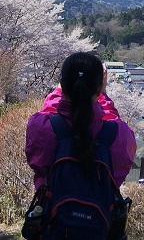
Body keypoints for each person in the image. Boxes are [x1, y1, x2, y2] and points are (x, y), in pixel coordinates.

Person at [25, 52, 136, 239]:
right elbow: (112, 125)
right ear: (99, 86)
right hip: (99, 230)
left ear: (63, 84)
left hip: (52, 229)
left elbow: (49, 120)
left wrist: (58, 94)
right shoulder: (118, 135)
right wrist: (104, 97)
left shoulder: (41, 127)